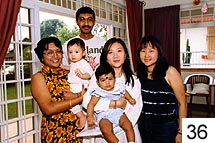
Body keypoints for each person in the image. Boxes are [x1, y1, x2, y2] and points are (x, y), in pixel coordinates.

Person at [82, 37, 143, 143]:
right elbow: (86, 102)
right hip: (103, 132)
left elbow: (136, 108)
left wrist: (118, 127)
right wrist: (113, 104)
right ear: (106, 57)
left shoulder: (133, 80)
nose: (115, 56)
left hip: (126, 132)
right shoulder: (99, 76)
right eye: (111, 52)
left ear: (125, 55)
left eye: (119, 51)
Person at [31, 37, 85, 142]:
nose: (55, 56)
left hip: (78, 130)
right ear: (41, 57)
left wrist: (78, 95)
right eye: (49, 53)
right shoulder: (39, 77)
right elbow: (48, 108)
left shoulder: (70, 72)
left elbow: (90, 88)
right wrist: (79, 98)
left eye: (58, 51)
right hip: (55, 132)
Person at [136, 35, 187, 143]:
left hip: (166, 128)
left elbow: (182, 104)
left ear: (159, 52)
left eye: (151, 51)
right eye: (143, 51)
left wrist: (181, 132)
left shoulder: (170, 72)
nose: (146, 55)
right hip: (143, 127)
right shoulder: (138, 75)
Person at [87, 63, 136, 143]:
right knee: (106, 130)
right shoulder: (98, 91)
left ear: (115, 79)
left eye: (110, 79)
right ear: (98, 82)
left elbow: (125, 92)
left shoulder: (118, 87)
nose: (107, 82)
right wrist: (89, 116)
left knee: (128, 125)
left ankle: (131, 142)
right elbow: (91, 104)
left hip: (118, 112)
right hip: (104, 115)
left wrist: (130, 98)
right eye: (103, 80)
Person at [61, 38, 93, 129]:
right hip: (73, 87)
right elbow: (70, 68)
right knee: (70, 103)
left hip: (81, 86)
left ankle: (88, 116)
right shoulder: (73, 64)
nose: (73, 55)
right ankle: (81, 116)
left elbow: (90, 73)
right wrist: (63, 66)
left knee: (86, 103)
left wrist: (83, 75)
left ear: (83, 53)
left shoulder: (84, 63)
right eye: (70, 52)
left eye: (76, 52)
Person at [62, 6, 105, 70]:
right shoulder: (68, 44)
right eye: (82, 19)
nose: (86, 23)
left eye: (90, 19)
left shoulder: (103, 44)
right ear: (77, 22)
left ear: (94, 22)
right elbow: (64, 68)